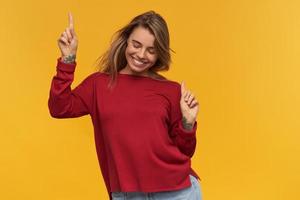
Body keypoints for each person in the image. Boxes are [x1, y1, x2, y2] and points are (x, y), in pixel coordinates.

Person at [48, 10, 202, 200]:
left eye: (151, 50)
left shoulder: (171, 90)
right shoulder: (99, 85)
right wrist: (68, 59)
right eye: (136, 45)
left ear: (159, 54)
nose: (141, 54)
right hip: (128, 195)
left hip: (177, 191)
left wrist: (188, 123)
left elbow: (185, 151)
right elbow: (59, 107)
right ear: (126, 41)